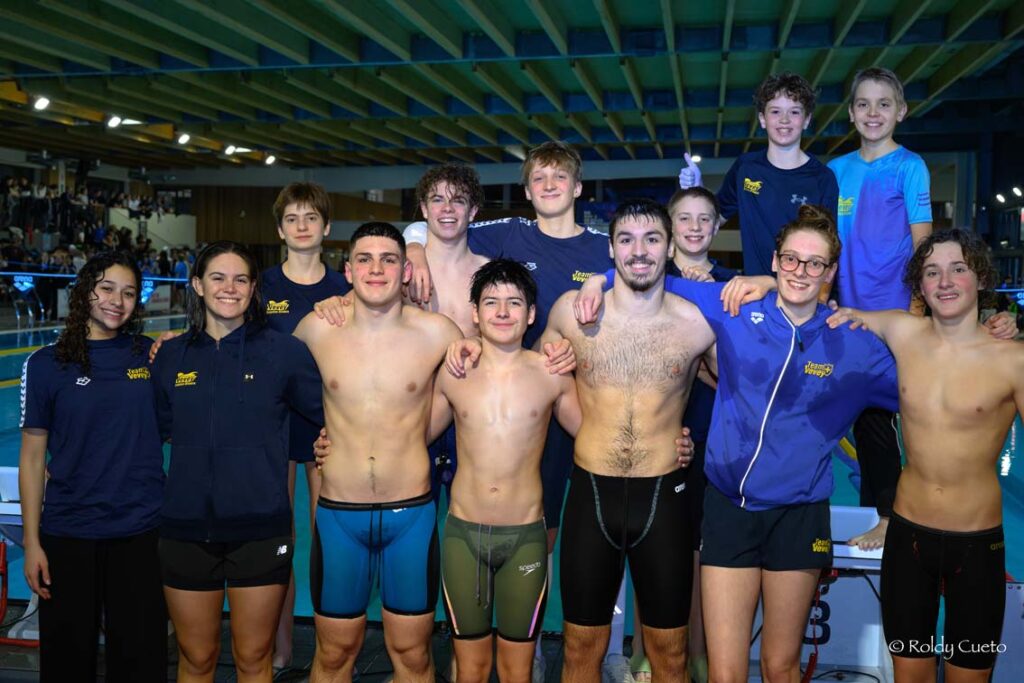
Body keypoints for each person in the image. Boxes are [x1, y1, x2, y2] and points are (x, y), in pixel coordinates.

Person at [576, 205, 902, 683]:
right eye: (791, 259)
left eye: (814, 263)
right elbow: (651, 277)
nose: (801, 271)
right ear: (774, 261)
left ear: (831, 272)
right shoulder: (735, 308)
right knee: (725, 671)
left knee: (779, 665)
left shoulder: (853, 343)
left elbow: (924, 393)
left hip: (798, 514)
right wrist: (597, 281)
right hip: (729, 509)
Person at [402, 142, 613, 680]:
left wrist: (601, 279)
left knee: (550, 522)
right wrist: (413, 248)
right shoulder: (508, 234)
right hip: (485, 402)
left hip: (555, 396)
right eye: (539, 177)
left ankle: (535, 635)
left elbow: (648, 268)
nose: (549, 185)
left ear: (578, 187)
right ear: (526, 189)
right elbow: (444, 220)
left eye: (559, 177)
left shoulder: (604, 247)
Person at [507, 199, 715, 682]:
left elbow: (742, 394)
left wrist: (696, 442)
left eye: (651, 239)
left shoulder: (696, 323)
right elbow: (528, 373)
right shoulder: (572, 313)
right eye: (626, 239)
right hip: (591, 496)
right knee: (581, 648)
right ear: (611, 249)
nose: (639, 252)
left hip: (663, 497)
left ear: (669, 249)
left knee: (670, 653)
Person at [827, 229, 1022, 682]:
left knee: (970, 675)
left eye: (958, 269)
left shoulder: (1012, 360)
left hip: (977, 545)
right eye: (932, 272)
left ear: (981, 278)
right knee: (908, 673)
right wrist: (765, 282)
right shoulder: (903, 331)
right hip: (908, 539)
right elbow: (832, 314)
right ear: (919, 284)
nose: (945, 281)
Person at [292, 222, 463, 683]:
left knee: (413, 655)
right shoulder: (316, 329)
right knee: (333, 654)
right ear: (348, 270)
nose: (376, 269)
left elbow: (482, 384)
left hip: (411, 514)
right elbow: (265, 377)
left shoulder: (437, 332)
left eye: (389, 259)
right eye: (364, 259)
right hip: (339, 515)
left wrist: (416, 433)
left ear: (405, 271)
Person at [150, 241, 324, 682]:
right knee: (196, 658)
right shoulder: (170, 356)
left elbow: (331, 413)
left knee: (253, 658)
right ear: (197, 285)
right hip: (186, 528)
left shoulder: (283, 352)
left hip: (260, 529)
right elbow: (152, 429)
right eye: (218, 278)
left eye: (240, 279)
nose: (230, 288)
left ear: (253, 288)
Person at [19, 251, 167, 681]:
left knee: (140, 662)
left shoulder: (150, 356)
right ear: (85, 291)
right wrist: (32, 542)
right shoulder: (46, 364)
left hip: (140, 530)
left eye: (128, 293)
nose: (117, 301)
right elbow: (32, 457)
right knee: (66, 663)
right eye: (106, 288)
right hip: (69, 531)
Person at [630, 187, 737, 683]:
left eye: (704, 219)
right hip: (661, 433)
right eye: (685, 219)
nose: (695, 228)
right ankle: (641, 651)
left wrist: (707, 296)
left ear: (716, 227)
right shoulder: (648, 277)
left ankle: (696, 652)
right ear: (671, 228)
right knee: (648, 546)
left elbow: (739, 365)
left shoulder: (734, 287)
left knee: (698, 549)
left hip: (714, 433)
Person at [827, 67, 933, 549]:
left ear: (901, 112)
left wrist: (914, 316)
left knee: (879, 420)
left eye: (884, 104)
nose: (873, 113)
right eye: (864, 104)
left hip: (893, 319)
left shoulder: (910, 167)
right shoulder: (836, 171)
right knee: (855, 421)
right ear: (851, 113)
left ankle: (889, 516)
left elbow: (923, 247)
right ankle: (876, 510)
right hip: (846, 318)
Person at [259, 182, 351, 673]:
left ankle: (330, 650)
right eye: (292, 218)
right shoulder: (261, 287)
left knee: (328, 538)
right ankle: (280, 649)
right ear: (280, 229)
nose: (301, 226)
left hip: (324, 422)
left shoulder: (345, 288)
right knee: (279, 537)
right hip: (273, 421)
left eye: (310, 217)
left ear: (326, 226)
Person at [678, 71, 838, 277]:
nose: (784, 120)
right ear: (762, 118)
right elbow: (716, 218)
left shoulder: (822, 178)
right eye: (775, 111)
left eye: (794, 112)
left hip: (802, 288)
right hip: (755, 290)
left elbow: (828, 248)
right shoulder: (746, 168)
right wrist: (698, 189)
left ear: (806, 120)